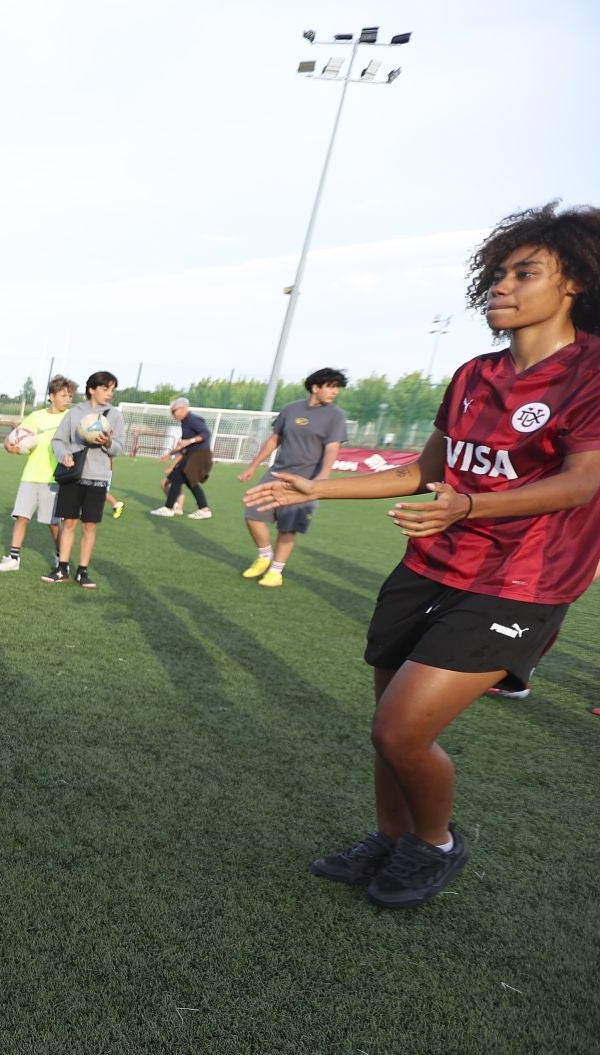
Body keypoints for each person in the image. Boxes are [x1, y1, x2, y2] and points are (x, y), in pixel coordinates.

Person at [248, 201, 600, 908]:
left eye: (524, 272)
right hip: (427, 566)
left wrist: (469, 505)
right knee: (388, 731)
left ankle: (435, 842)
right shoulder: (473, 374)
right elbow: (423, 471)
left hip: (520, 583)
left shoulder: (589, 374)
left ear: (575, 285)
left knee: (400, 729)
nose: (501, 285)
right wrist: (316, 484)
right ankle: (391, 838)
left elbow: (583, 480)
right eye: (498, 273)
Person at [237, 368, 349, 587]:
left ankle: (276, 571)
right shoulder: (290, 409)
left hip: (307, 478)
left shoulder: (336, 415)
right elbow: (274, 440)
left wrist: (322, 478)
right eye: (331, 386)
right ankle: (264, 555)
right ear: (315, 387)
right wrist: (253, 466)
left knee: (288, 526)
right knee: (252, 513)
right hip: (277, 473)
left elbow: (332, 448)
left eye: (337, 387)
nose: (335, 392)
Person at [45, 371, 120, 588]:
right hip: (74, 475)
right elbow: (58, 441)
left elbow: (120, 448)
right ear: (91, 389)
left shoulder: (114, 415)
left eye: (112, 390)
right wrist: (64, 455)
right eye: (105, 388)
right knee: (68, 523)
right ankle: (62, 568)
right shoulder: (75, 413)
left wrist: (108, 444)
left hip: (97, 477)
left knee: (89, 526)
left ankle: (83, 571)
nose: (109, 394)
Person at [0, 376, 75, 571]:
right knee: (22, 517)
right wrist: (9, 446)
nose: (68, 399)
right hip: (30, 475)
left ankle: (60, 559)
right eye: (64, 395)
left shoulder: (71, 418)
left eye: (70, 396)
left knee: (53, 523)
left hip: (54, 478)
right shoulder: (36, 416)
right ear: (52, 396)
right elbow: (15, 438)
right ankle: (13, 559)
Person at [151, 398, 212, 517]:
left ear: (184, 408)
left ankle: (169, 508)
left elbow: (205, 434)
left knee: (177, 479)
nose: (172, 414)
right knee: (189, 482)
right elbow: (183, 445)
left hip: (198, 455)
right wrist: (170, 455)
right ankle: (203, 509)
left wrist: (190, 440)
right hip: (192, 455)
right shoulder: (185, 422)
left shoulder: (193, 420)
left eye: (174, 411)